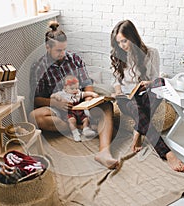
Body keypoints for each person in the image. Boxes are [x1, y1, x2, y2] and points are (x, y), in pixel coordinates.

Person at [29, 21, 118, 169]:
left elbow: (86, 82)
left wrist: (88, 99)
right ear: (47, 47)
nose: (62, 54)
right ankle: (83, 126)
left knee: (107, 105)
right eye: (58, 50)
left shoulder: (74, 59)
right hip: (58, 109)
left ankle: (104, 152)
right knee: (34, 117)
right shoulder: (38, 67)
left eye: (64, 49)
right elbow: (36, 99)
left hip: (80, 102)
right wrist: (56, 104)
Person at [110, 20, 184, 172]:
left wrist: (149, 83)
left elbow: (155, 78)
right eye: (118, 42)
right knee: (134, 106)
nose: (122, 46)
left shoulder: (151, 53)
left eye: (124, 41)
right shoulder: (117, 55)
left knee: (159, 83)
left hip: (145, 94)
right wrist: (118, 91)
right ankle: (168, 153)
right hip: (126, 98)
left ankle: (138, 130)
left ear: (133, 37)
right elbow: (115, 80)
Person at [50, 75, 98, 142]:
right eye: (72, 89)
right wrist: (56, 97)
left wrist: (92, 94)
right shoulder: (62, 93)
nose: (75, 90)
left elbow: (85, 93)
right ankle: (75, 133)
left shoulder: (77, 93)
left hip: (79, 110)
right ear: (65, 87)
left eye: (76, 88)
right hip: (70, 111)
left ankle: (86, 129)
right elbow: (53, 95)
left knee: (86, 119)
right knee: (72, 121)